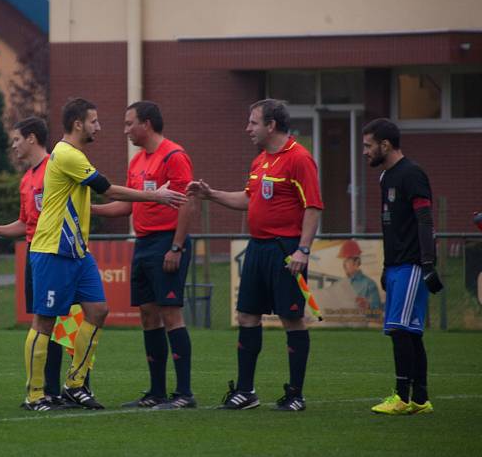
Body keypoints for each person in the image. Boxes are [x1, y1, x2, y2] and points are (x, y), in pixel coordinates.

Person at [23, 97, 188, 411]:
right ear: (78, 124)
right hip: (52, 248)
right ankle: (34, 395)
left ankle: (74, 384)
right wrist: (157, 195)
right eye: (94, 121)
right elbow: (108, 190)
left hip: (77, 252)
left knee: (98, 311)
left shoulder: (74, 155)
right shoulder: (67, 153)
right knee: (44, 322)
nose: (100, 126)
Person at [187, 98, 323, 411]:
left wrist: (303, 249)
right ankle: (245, 391)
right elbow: (249, 199)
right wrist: (211, 195)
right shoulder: (259, 160)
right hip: (257, 248)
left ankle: (295, 394)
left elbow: (313, 207)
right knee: (247, 315)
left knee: (292, 318)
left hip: (285, 250)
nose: (248, 128)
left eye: (253, 122)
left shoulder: (299, 158)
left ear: (271, 125)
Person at [91, 101, 196, 410]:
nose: (125, 130)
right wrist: (90, 209)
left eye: (128, 123)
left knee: (170, 314)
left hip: (167, 242)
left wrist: (176, 246)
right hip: (143, 243)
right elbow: (127, 206)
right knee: (148, 316)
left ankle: (185, 394)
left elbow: (188, 204)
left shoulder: (175, 156)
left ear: (146, 123)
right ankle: (156, 392)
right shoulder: (137, 161)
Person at [0, 116, 76, 407]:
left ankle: (53, 390)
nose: (13, 145)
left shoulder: (55, 168)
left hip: (56, 252)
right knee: (44, 320)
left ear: (32, 138)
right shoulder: (26, 179)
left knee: (52, 321)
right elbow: (24, 223)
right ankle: (48, 391)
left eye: (17, 139)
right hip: (35, 253)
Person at [362, 118, 441, 415]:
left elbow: (424, 221)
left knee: (399, 330)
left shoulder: (412, 174)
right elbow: (391, 228)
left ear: (385, 145)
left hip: (411, 265)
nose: (365, 152)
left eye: (368, 146)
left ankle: (402, 397)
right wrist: (385, 265)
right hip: (396, 266)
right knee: (410, 332)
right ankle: (420, 399)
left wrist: (428, 262)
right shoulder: (385, 178)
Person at [338, 239, 382, 312]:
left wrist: (368, 306)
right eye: (343, 261)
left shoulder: (369, 284)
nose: (344, 265)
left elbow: (377, 312)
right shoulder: (341, 284)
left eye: (347, 260)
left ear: (357, 262)